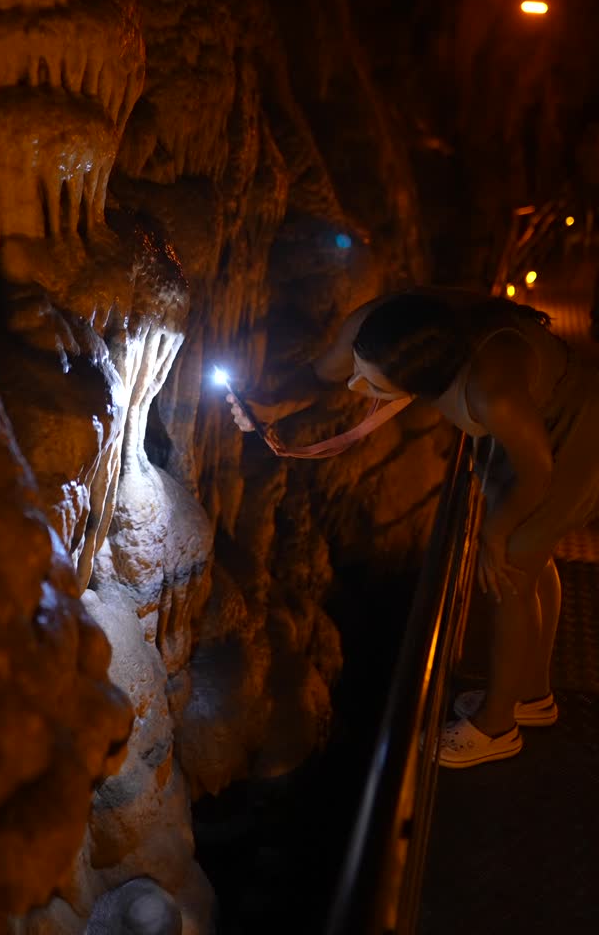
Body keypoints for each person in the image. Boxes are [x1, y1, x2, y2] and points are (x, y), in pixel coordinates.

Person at [227, 287, 599, 768]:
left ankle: (497, 725)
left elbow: (538, 473)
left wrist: (494, 534)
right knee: (532, 556)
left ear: (420, 389)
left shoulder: (492, 393)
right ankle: (532, 695)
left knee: (512, 566)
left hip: (579, 423)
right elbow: (324, 374)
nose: (356, 385)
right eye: (360, 368)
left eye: (374, 387)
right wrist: (274, 405)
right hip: (531, 420)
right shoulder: (381, 327)